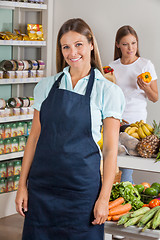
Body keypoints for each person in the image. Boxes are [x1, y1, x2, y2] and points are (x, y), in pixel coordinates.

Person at [15, 18, 125, 240]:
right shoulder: (45, 86)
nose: (72, 52)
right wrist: (22, 186)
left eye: (78, 44)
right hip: (42, 188)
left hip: (82, 192)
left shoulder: (108, 91)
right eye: (66, 46)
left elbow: (111, 150)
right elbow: (34, 139)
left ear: (91, 44)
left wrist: (104, 198)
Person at [109, 25, 158, 183]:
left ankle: (125, 201)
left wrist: (145, 87)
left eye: (134, 43)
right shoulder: (111, 67)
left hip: (136, 126)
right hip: (114, 120)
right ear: (117, 45)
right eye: (125, 44)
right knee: (109, 164)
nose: (130, 48)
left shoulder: (145, 65)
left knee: (125, 168)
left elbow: (155, 97)